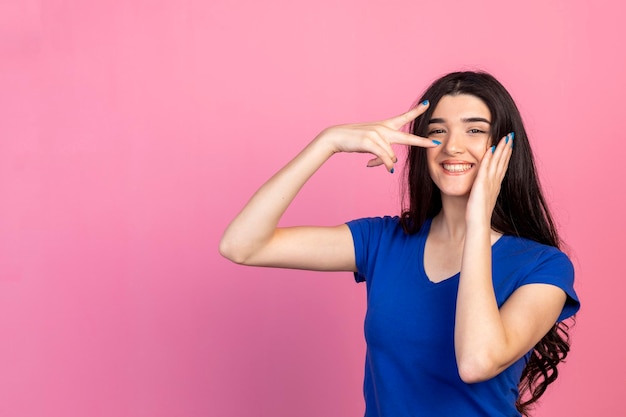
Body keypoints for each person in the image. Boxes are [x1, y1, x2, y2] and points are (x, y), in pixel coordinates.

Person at [219, 71, 580, 417]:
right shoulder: (382, 241)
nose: (452, 146)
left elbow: (477, 362)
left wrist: (477, 220)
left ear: (503, 147)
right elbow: (242, 245)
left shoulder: (543, 266)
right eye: (438, 131)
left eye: (474, 130)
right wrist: (327, 143)